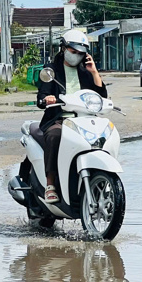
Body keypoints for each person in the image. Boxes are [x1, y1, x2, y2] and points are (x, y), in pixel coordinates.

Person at [36, 29, 107, 203]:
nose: (76, 56)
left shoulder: (85, 72)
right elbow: (41, 96)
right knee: (55, 135)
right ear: (64, 48)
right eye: (73, 52)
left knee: (103, 135)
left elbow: (101, 97)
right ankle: (50, 184)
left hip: (83, 119)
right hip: (59, 119)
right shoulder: (51, 71)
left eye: (80, 53)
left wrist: (94, 72)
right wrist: (47, 98)